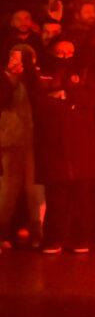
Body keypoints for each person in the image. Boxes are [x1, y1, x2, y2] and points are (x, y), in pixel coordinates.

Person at [32, 38, 95, 253]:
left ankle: (81, 239)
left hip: (82, 143)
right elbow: (39, 101)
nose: (65, 57)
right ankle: (54, 238)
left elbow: (92, 97)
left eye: (69, 52)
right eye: (60, 52)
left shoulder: (85, 72)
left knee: (82, 196)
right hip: (54, 143)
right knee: (56, 196)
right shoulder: (43, 74)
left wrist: (67, 95)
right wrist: (66, 102)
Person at [1, 45, 44, 249]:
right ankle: (2, 230)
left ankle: (38, 230)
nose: (17, 63)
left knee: (35, 189)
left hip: (35, 140)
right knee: (8, 188)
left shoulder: (36, 79)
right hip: (11, 140)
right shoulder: (4, 78)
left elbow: (40, 102)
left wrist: (30, 76)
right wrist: (11, 78)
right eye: (14, 58)